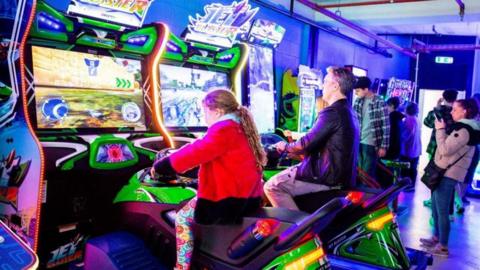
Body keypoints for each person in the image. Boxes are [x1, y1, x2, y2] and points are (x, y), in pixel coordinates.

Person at [151, 90, 266, 270]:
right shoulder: (241, 128)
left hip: (228, 200)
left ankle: (181, 267)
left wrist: (161, 166)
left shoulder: (223, 129)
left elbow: (195, 152)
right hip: (248, 196)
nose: (204, 118)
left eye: (205, 112)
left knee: (182, 218)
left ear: (217, 111)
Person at [263, 66, 358, 210]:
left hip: (325, 176)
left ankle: (299, 230)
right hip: (340, 174)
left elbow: (306, 143)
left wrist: (285, 147)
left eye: (325, 81)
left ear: (335, 86)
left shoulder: (332, 111)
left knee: (272, 186)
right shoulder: (349, 111)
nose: (322, 86)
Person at [420, 99, 480, 257]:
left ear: (465, 111)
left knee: (442, 210)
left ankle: (443, 246)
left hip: (448, 174)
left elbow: (445, 149)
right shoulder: (461, 128)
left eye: (455, 110)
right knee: (435, 207)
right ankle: (436, 237)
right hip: (444, 171)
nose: (452, 112)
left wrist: (440, 130)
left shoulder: (465, 130)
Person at [353, 76, 390, 179]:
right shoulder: (358, 101)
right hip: (358, 141)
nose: (356, 93)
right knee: (359, 172)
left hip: (371, 142)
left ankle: (368, 194)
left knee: (367, 174)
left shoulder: (380, 102)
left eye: (358, 90)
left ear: (366, 89)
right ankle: (361, 193)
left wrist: (383, 146)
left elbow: (386, 125)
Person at [423, 89, 458, 159]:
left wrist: (437, 106)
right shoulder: (457, 114)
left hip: (434, 146)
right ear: (455, 99)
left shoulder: (436, 112)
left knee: (431, 168)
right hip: (450, 148)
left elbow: (427, 123)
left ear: (443, 98)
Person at [400, 102, 422, 191]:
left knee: (406, 169)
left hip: (408, 149)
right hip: (416, 149)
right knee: (413, 169)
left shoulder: (407, 120)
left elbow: (405, 136)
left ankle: (407, 186)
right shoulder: (417, 119)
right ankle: (411, 185)